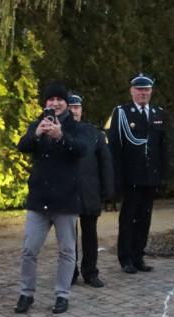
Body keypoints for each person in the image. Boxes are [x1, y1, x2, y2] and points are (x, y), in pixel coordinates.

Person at [13, 81, 88, 315]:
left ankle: (62, 295)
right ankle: (26, 293)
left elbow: (81, 150)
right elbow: (22, 146)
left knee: (67, 251)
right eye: (50, 100)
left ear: (66, 103)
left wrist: (60, 136)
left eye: (60, 100)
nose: (55, 103)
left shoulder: (76, 127)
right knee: (29, 249)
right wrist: (36, 134)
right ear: (45, 103)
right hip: (39, 199)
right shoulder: (37, 124)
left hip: (66, 200)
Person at [107, 73, 166, 274]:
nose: (144, 93)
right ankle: (125, 258)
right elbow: (114, 147)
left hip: (150, 176)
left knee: (145, 218)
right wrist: (115, 177)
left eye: (147, 89)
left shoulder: (158, 113)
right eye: (140, 89)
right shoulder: (122, 112)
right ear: (132, 91)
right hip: (130, 176)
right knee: (128, 218)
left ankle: (139, 256)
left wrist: (162, 175)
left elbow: (162, 147)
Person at [68, 93, 113, 287]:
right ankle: (69, 273)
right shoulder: (57, 132)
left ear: (81, 110)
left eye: (77, 107)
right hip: (66, 192)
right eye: (70, 107)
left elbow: (105, 163)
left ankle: (90, 272)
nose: (74, 111)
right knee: (68, 238)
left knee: (90, 235)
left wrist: (108, 191)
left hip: (89, 191)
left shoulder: (93, 133)